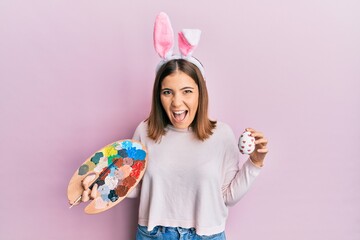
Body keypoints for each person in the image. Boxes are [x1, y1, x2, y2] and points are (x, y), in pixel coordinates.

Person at [77, 13, 269, 240]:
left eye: (187, 91)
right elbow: (134, 184)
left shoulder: (221, 135)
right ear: (159, 96)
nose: (177, 103)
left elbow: (227, 196)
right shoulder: (145, 132)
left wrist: (255, 162)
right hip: (153, 234)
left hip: (206, 235)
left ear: (200, 93)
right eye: (167, 92)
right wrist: (98, 183)